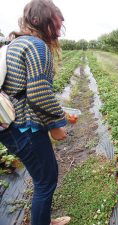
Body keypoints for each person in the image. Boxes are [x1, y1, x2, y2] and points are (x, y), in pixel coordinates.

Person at [0, 1, 70, 224]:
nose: (59, 30)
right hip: (23, 126)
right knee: (46, 180)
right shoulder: (37, 46)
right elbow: (39, 94)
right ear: (43, 21)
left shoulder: (17, 43)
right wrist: (58, 123)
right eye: (57, 24)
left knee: (42, 176)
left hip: (8, 124)